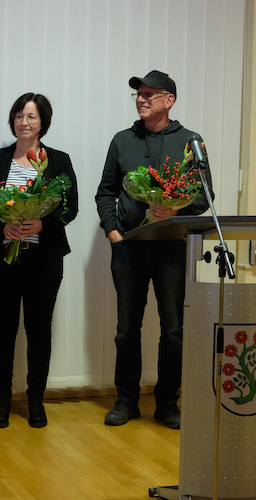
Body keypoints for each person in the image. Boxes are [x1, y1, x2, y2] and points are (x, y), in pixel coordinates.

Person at [95, 70, 213, 429]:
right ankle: (126, 400)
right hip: (129, 248)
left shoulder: (190, 141)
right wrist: (112, 231)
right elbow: (105, 191)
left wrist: (176, 211)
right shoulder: (122, 140)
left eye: (150, 94)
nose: (142, 99)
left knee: (174, 329)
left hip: (172, 250)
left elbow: (205, 197)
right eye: (139, 94)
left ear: (169, 100)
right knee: (126, 329)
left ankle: (167, 403)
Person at [0, 93, 78, 428]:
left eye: (31, 116)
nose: (24, 122)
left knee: (39, 331)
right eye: (19, 115)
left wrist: (43, 224)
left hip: (44, 262)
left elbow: (70, 207)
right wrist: (2, 226)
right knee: (2, 331)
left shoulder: (58, 161)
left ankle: (36, 401)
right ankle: (2, 401)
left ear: (43, 122)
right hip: (2, 260)